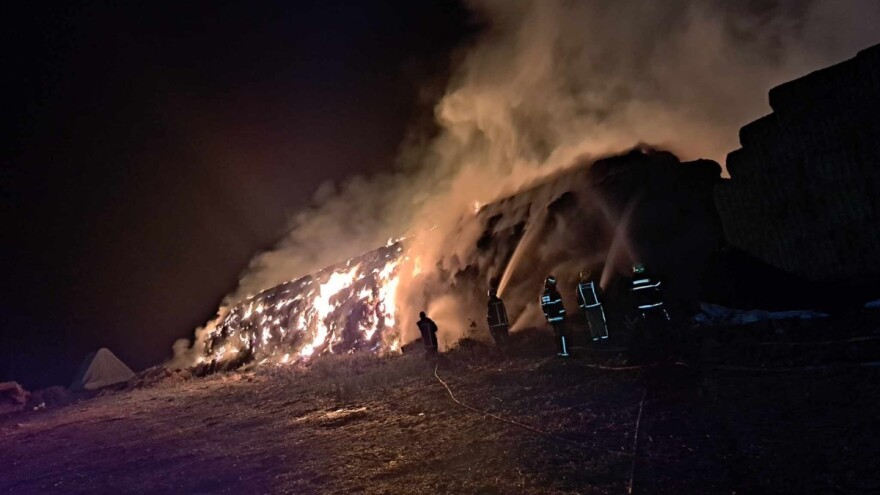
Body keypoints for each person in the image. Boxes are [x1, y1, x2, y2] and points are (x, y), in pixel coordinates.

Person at [576, 270, 609, 342]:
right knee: (600, 322)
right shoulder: (593, 283)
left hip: (588, 308)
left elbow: (579, 299)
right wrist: (603, 301)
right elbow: (600, 292)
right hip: (596, 306)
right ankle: (604, 338)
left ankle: (595, 339)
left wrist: (582, 309)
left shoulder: (579, 287)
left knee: (592, 324)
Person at [541, 275, 570, 357]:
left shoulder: (544, 295)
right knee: (562, 335)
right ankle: (565, 352)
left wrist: (547, 318)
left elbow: (544, 308)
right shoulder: (555, 294)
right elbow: (560, 306)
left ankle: (559, 352)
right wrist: (564, 315)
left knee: (556, 335)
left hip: (551, 319)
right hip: (558, 317)